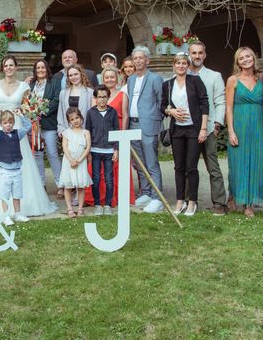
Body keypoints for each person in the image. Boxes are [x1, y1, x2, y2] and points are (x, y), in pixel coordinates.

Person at [0, 55, 57, 217]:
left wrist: (23, 112)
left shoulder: (24, 86)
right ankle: (0, 204)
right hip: (0, 124)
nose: (9, 68)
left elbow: (27, 106)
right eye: (6, 65)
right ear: (3, 68)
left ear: (16, 68)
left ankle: (25, 205)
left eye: (11, 65)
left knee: (22, 161)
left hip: (17, 125)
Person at [161, 54, 209, 217]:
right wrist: (171, 111)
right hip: (177, 130)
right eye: (178, 63)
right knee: (178, 167)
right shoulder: (168, 85)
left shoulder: (195, 81)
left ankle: (192, 201)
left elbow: (204, 104)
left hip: (193, 129)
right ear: (173, 66)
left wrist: (203, 129)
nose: (181, 66)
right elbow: (162, 105)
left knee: (191, 167)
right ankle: (180, 200)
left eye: (184, 63)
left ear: (188, 66)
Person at [226, 47, 263, 217]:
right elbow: (229, 107)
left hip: (259, 125)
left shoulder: (260, 79)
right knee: (239, 162)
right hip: (240, 124)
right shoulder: (233, 80)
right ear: (238, 62)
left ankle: (249, 201)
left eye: (248, 56)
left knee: (256, 161)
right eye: (241, 58)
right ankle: (237, 197)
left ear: (253, 58)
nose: (245, 60)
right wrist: (231, 131)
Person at [85, 67, 134, 208]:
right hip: (99, 137)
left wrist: (122, 135)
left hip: (116, 131)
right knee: (95, 170)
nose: (109, 80)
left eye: (112, 77)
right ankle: (96, 198)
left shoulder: (122, 94)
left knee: (115, 168)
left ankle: (115, 198)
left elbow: (125, 115)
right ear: (103, 79)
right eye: (107, 77)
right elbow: (92, 118)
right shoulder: (98, 95)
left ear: (117, 78)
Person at [188, 41, 228, 215]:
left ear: (205, 55)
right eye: (194, 53)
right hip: (188, 129)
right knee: (189, 167)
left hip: (209, 127)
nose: (197, 56)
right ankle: (190, 202)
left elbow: (220, 102)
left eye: (200, 53)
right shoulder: (184, 75)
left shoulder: (214, 76)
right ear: (189, 54)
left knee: (213, 167)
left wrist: (218, 123)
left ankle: (220, 203)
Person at [127, 46, 165, 213]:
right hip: (133, 124)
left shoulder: (155, 78)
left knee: (151, 163)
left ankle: (158, 198)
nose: (138, 61)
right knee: (139, 163)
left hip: (148, 125)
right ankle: (147, 193)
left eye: (141, 58)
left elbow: (160, 102)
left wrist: (155, 122)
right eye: (135, 58)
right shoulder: (130, 79)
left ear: (147, 60)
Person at [0, 109, 31, 225]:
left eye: (10, 122)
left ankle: (18, 214)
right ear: (1, 124)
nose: (8, 125)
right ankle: (5, 216)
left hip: (17, 170)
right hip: (5, 171)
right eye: (5, 123)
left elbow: (28, 127)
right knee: (5, 195)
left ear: (13, 123)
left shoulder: (18, 134)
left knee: (17, 194)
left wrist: (21, 115)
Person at [29, 59, 63, 198]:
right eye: (38, 68)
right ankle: (41, 184)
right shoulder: (31, 84)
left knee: (52, 153)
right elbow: (27, 100)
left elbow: (56, 99)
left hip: (49, 123)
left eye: (43, 67)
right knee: (37, 154)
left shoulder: (54, 82)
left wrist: (43, 111)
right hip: (34, 125)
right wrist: (32, 113)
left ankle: (61, 184)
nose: (40, 70)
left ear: (47, 69)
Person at [85, 86, 120, 216]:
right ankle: (98, 204)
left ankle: (108, 204)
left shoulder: (113, 112)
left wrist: (116, 149)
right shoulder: (91, 113)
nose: (102, 100)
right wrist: (88, 150)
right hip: (94, 150)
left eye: (104, 97)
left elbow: (117, 131)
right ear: (95, 98)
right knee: (96, 178)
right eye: (99, 97)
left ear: (108, 97)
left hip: (109, 150)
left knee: (109, 179)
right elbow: (87, 131)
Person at [60, 107, 92, 217]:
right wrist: (71, 160)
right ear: (69, 121)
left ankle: (80, 208)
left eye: (77, 118)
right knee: (68, 185)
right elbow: (64, 146)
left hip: (80, 161)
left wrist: (79, 160)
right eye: (72, 119)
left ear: (81, 117)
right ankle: (69, 209)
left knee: (81, 186)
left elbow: (87, 147)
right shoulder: (66, 132)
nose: (75, 121)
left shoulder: (85, 132)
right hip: (69, 162)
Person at [57, 64, 93, 132]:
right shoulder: (63, 93)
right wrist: (61, 129)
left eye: (76, 74)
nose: (73, 77)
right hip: (68, 131)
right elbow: (60, 113)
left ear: (81, 75)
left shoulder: (90, 92)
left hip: (85, 131)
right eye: (70, 75)